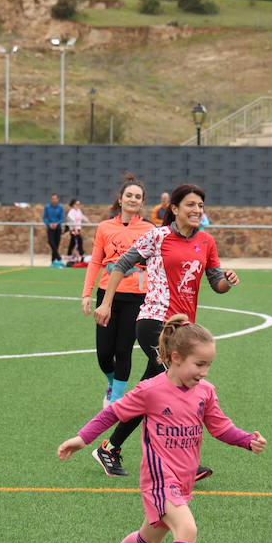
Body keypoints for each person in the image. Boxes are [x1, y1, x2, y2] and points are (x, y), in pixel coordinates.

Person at [57, 315, 266, 543]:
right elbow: (112, 413)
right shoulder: (150, 390)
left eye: (208, 365)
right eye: (199, 364)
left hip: (182, 480)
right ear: (175, 358)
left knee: (149, 539)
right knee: (187, 528)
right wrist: (81, 438)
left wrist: (245, 439)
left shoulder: (205, 391)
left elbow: (220, 426)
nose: (204, 372)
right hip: (157, 478)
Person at [91, 183, 239, 481]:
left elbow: (216, 285)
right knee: (175, 386)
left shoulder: (207, 242)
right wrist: (105, 303)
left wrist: (228, 281)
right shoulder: (158, 236)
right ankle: (177, 463)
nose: (197, 210)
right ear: (174, 208)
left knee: (151, 391)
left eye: (200, 205)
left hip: (183, 329)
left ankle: (110, 447)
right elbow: (121, 264)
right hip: (154, 322)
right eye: (191, 205)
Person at [82, 175, 153, 417]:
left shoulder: (150, 230)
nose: (133, 200)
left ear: (142, 202)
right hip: (107, 296)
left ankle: (116, 399)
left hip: (136, 298)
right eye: (129, 195)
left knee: (124, 350)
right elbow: (94, 262)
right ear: (120, 200)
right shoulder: (104, 227)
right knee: (104, 354)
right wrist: (87, 294)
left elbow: (157, 266)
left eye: (138, 197)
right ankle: (113, 383)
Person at [42, 193, 65, 267]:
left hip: (58, 228)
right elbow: (45, 218)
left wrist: (57, 223)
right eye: (52, 199)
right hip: (50, 228)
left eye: (55, 198)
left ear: (58, 199)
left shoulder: (60, 208)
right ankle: (58, 257)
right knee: (51, 242)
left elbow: (62, 218)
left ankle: (53, 261)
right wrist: (49, 224)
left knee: (56, 244)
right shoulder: (47, 207)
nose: (54, 200)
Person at [65, 198, 86, 265]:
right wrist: (75, 229)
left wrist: (88, 221)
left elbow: (82, 217)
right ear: (73, 205)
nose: (78, 205)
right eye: (77, 204)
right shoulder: (71, 211)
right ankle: (79, 255)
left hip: (78, 229)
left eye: (79, 204)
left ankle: (73, 255)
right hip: (74, 230)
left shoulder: (79, 211)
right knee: (77, 242)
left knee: (74, 243)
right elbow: (71, 220)